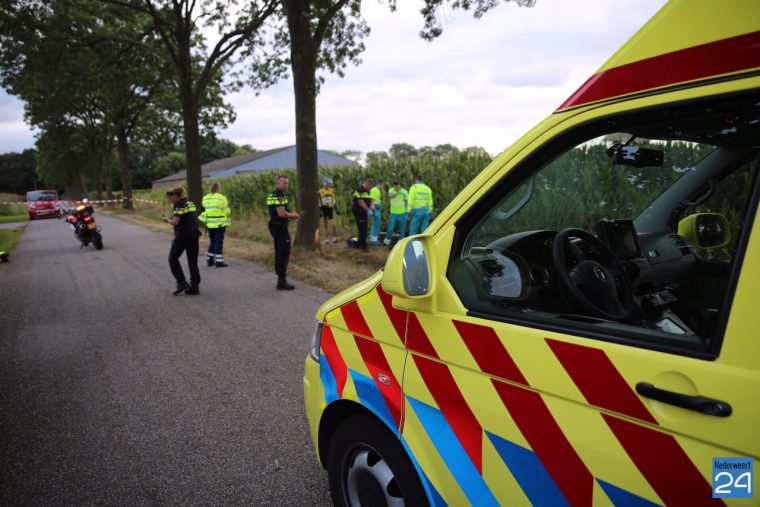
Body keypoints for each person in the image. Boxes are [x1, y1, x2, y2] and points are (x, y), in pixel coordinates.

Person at [164, 187, 200, 295]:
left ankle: (182, 282)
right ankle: (195, 286)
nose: (170, 199)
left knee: (172, 258)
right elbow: (187, 217)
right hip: (194, 234)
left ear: (176, 196)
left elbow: (175, 222)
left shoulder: (179, 204)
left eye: (170, 197)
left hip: (183, 235)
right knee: (192, 260)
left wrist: (168, 220)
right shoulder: (190, 203)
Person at [267, 175, 300, 290]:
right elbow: (281, 213)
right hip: (280, 227)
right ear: (278, 183)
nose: (287, 185)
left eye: (287, 183)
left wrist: (291, 213)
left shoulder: (276, 194)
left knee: (279, 252)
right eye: (284, 183)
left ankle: (280, 280)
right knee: (284, 253)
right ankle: (282, 282)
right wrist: (293, 215)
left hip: (275, 226)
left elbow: (285, 209)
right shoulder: (278, 195)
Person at [199, 182, 231, 267]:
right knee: (219, 242)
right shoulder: (222, 198)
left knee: (212, 241)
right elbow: (227, 211)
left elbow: (204, 210)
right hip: (220, 223)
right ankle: (219, 262)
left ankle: (209, 260)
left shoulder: (205, 198)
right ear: (218, 188)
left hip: (209, 224)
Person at [352, 179, 373, 253]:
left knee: (365, 228)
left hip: (364, 212)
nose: (369, 189)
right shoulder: (360, 190)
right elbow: (361, 202)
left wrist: (372, 207)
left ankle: (362, 243)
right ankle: (362, 246)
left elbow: (370, 200)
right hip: (359, 212)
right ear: (367, 184)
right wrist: (368, 210)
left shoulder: (367, 191)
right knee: (362, 228)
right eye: (369, 187)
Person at [384, 181, 408, 245]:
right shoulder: (391, 190)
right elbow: (390, 196)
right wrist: (398, 192)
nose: (396, 187)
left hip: (402, 213)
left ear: (400, 185)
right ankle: (386, 241)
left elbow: (407, 200)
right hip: (393, 213)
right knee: (390, 228)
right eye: (395, 186)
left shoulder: (404, 191)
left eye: (397, 185)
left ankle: (400, 243)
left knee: (402, 229)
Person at [318, 177, 338, 244]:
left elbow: (334, 200)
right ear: (324, 184)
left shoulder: (331, 191)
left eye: (329, 184)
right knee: (325, 224)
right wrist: (319, 210)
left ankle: (334, 238)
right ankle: (326, 239)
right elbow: (318, 201)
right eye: (328, 184)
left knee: (333, 224)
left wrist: (336, 208)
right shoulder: (320, 192)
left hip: (329, 208)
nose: (329, 185)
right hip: (323, 208)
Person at [369, 179, 384, 245]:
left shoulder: (375, 190)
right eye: (382, 184)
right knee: (376, 224)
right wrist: (374, 209)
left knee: (375, 224)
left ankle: (373, 238)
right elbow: (372, 200)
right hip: (376, 209)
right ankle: (374, 240)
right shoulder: (375, 190)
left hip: (377, 209)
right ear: (380, 184)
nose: (383, 186)